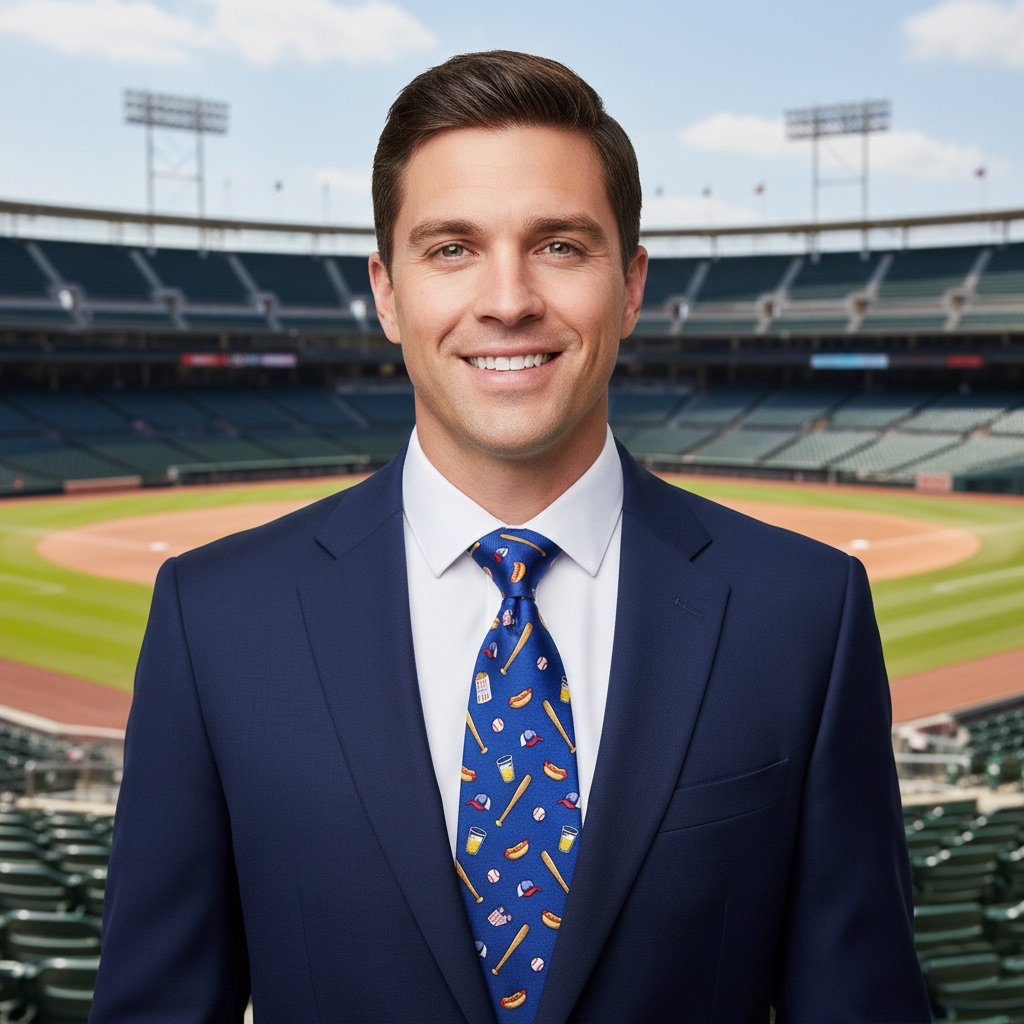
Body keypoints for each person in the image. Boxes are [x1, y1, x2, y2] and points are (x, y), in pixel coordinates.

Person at [91, 51, 930, 1023]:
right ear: (387, 291)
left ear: (630, 285)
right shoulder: (216, 621)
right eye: (451, 248)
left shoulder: (804, 614)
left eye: (560, 246)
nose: (506, 299)